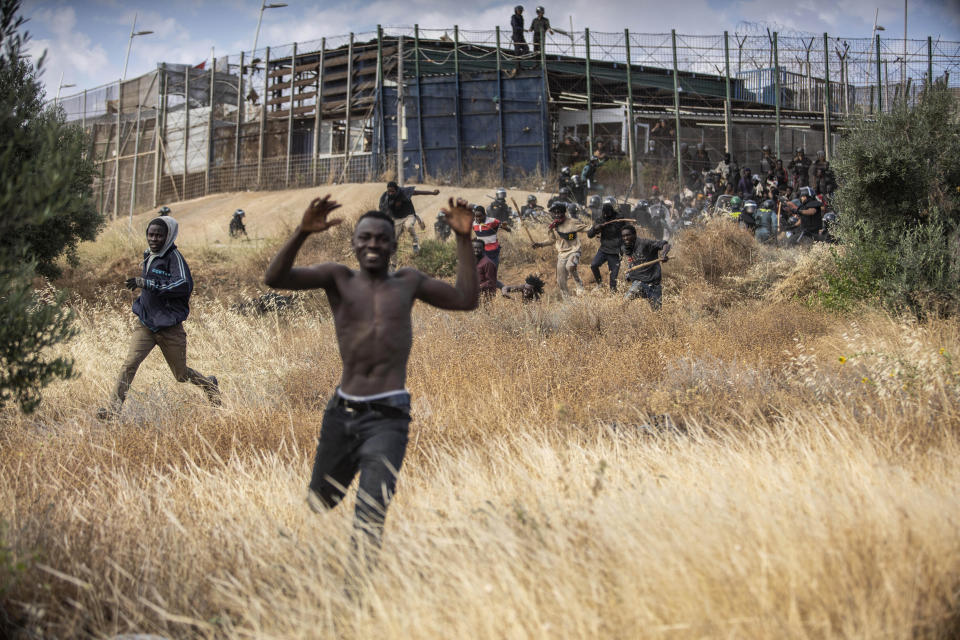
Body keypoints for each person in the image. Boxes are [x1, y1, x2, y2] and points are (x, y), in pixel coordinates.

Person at [263, 195, 479, 553]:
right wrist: (301, 233)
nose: (373, 244)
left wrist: (463, 238)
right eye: (365, 238)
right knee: (321, 501)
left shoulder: (407, 282)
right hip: (342, 412)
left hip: (388, 416)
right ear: (354, 243)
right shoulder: (338, 278)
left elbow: (466, 300)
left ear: (394, 245)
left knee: (371, 511)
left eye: (381, 238)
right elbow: (275, 279)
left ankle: (357, 596)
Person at [97, 213, 221, 420]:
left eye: (159, 236)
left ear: (169, 236)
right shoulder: (149, 256)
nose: (154, 239)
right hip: (146, 325)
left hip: (170, 328)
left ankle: (209, 385)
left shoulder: (175, 259)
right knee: (129, 365)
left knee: (181, 376)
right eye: (151, 235)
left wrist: (148, 284)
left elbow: (182, 285)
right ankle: (113, 410)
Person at [531, 202, 590, 298]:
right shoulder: (552, 227)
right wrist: (540, 244)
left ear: (564, 212)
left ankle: (579, 284)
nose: (557, 215)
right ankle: (567, 301)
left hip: (574, 250)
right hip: (562, 254)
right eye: (555, 213)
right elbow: (551, 240)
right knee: (560, 281)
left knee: (570, 266)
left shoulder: (572, 222)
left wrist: (597, 229)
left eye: (559, 212)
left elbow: (587, 228)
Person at [378, 181, 438, 255]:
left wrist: (432, 193)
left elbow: (418, 192)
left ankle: (415, 243)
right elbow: (383, 211)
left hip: (408, 215)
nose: (390, 193)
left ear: (396, 190)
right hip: (397, 219)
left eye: (392, 191)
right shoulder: (386, 198)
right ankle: (392, 263)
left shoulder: (404, 192)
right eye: (389, 191)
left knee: (408, 225)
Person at [621, 224, 670, 310]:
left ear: (634, 235)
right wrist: (629, 275)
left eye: (628, 235)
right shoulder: (625, 248)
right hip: (639, 283)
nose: (625, 238)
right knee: (623, 304)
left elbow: (665, 244)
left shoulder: (645, 243)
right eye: (623, 236)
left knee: (658, 314)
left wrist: (664, 254)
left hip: (654, 285)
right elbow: (631, 262)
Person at [587, 196, 625, 291]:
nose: (607, 212)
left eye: (609, 208)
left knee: (613, 279)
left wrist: (624, 248)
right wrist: (596, 229)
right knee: (594, 265)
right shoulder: (601, 219)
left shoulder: (619, 219)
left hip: (615, 252)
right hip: (604, 249)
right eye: (605, 209)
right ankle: (599, 284)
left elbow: (627, 232)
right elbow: (590, 234)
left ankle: (613, 297)